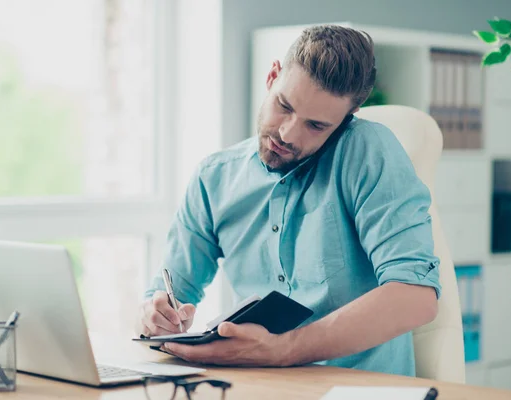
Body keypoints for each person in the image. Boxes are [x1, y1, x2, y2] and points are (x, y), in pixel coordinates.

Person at [135, 24, 441, 377]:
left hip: (358, 390)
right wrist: (156, 314)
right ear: (272, 76)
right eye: (285, 106)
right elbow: (172, 290)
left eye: (316, 126)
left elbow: (415, 299)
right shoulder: (214, 177)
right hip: (258, 388)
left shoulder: (367, 150)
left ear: (345, 121)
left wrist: (284, 350)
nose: (287, 134)